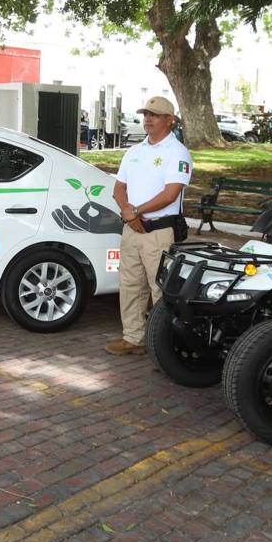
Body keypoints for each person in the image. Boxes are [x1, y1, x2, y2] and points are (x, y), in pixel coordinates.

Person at [105, 96, 193, 355]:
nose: (147, 119)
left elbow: (170, 194)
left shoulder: (177, 152)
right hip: (132, 228)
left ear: (169, 120)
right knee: (130, 284)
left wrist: (136, 211)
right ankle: (133, 338)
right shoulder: (135, 151)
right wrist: (129, 214)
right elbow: (119, 188)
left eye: (154, 115)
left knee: (160, 290)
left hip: (158, 231)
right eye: (145, 114)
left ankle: (163, 346)